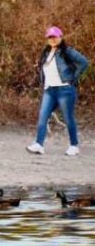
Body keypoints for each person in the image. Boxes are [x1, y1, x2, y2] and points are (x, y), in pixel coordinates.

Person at [27, 26, 89, 157]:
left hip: (65, 90)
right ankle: (39, 144)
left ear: (60, 37)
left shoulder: (67, 51)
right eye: (50, 37)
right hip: (49, 90)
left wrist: (73, 78)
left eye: (55, 36)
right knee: (43, 116)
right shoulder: (46, 52)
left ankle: (74, 145)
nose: (52, 39)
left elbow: (84, 62)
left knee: (68, 118)